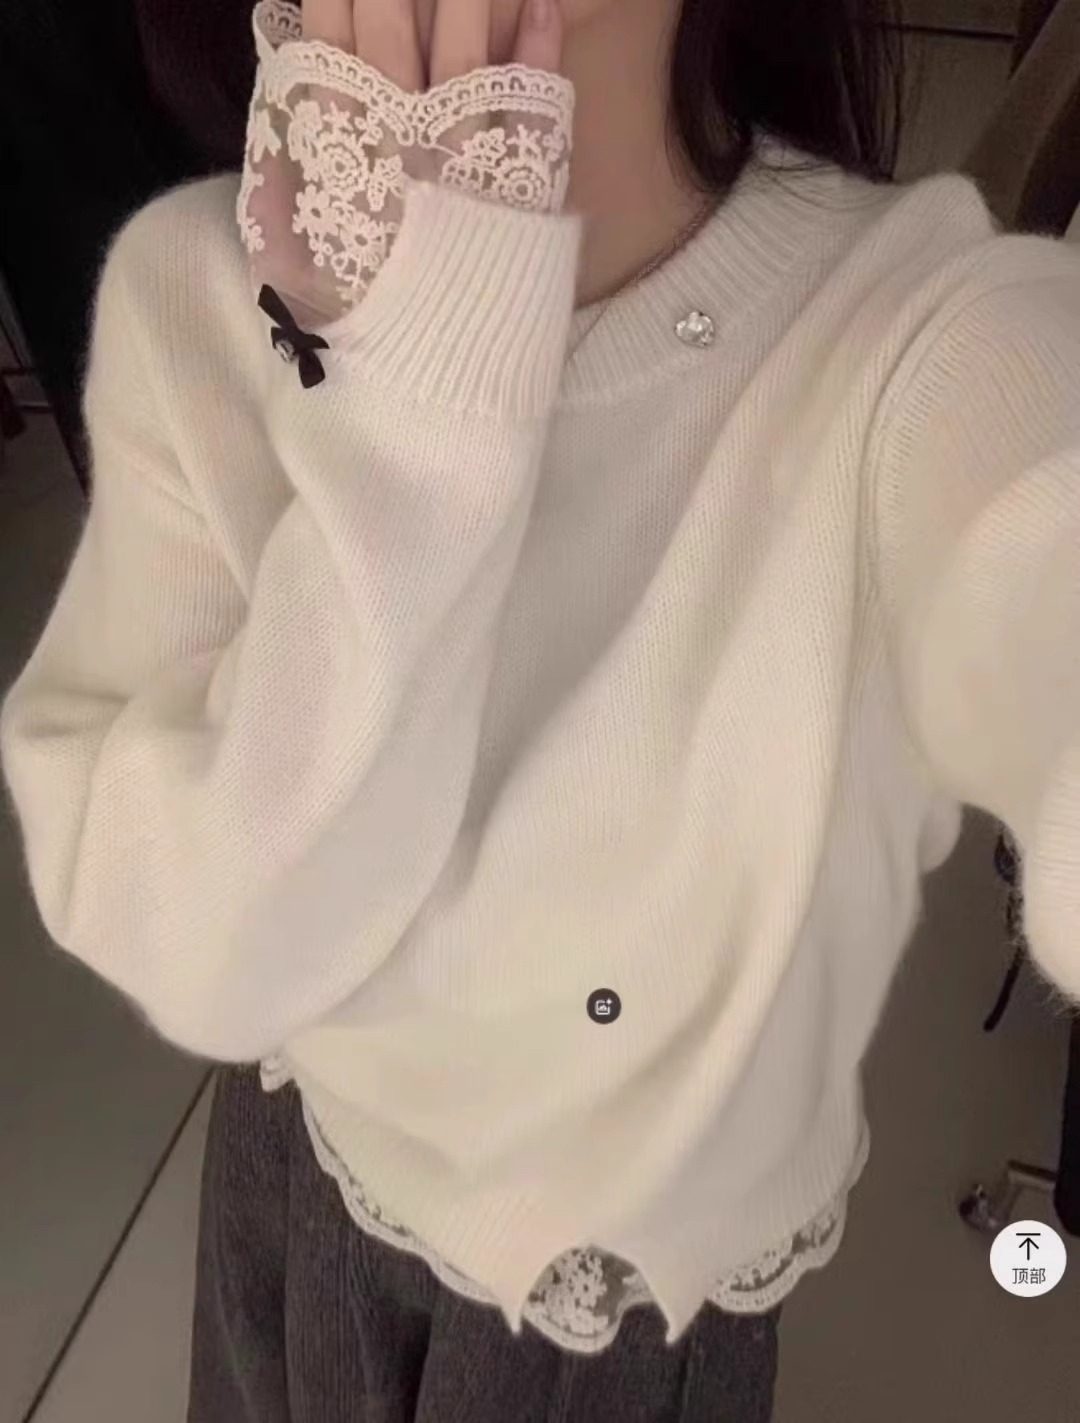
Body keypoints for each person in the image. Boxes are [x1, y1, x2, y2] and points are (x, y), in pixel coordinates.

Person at [2, 0, 1079, 1415]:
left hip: (616, 1294)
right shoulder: (195, 292)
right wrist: (420, 404)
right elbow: (195, 943)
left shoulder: (921, 334)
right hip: (303, 1164)